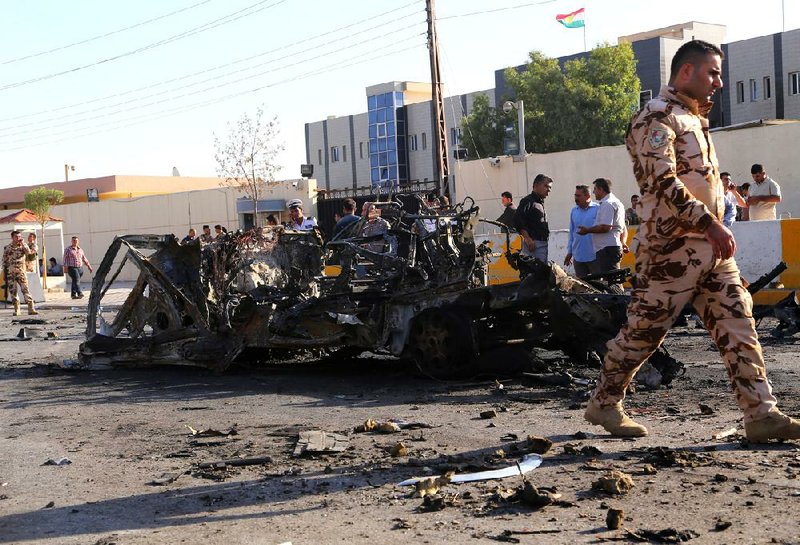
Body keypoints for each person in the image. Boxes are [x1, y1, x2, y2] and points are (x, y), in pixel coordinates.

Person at [584, 39, 800, 442]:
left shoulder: (693, 118)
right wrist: (709, 223)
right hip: (671, 250)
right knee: (643, 333)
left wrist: (714, 226)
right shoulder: (657, 117)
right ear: (687, 72)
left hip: (712, 251)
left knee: (739, 324)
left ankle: (761, 415)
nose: (719, 81)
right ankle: (604, 402)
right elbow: (661, 182)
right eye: (712, 72)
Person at [577, 178, 627, 276]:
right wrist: (623, 242)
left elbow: (606, 227)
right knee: (612, 279)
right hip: (610, 247)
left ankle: (616, 292)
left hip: (607, 249)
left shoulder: (607, 204)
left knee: (611, 280)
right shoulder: (616, 202)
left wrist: (587, 230)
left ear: (601, 189)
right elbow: (622, 227)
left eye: (595, 189)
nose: (594, 192)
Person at [513, 174, 553, 262]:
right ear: (536, 185)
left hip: (541, 244)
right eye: (546, 186)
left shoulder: (538, 203)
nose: (549, 190)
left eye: (550, 187)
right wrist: (527, 239)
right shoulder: (528, 201)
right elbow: (518, 219)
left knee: (541, 273)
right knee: (535, 272)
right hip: (533, 245)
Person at [564, 185, 599, 279]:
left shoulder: (598, 209)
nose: (576, 198)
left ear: (588, 196)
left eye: (578, 196)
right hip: (578, 257)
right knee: (582, 287)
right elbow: (572, 233)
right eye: (575, 195)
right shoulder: (574, 211)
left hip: (595, 257)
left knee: (598, 285)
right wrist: (570, 252)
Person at [2, 230, 38, 315]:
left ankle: (31, 308)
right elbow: (4, 261)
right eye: (16, 237)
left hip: (21, 272)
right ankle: (17, 309)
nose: (18, 238)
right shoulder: (7, 248)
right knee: (13, 291)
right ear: (12, 237)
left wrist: (23, 244)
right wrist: (4, 272)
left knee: (25, 290)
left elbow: (29, 253)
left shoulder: (23, 246)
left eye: (19, 237)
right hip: (11, 273)